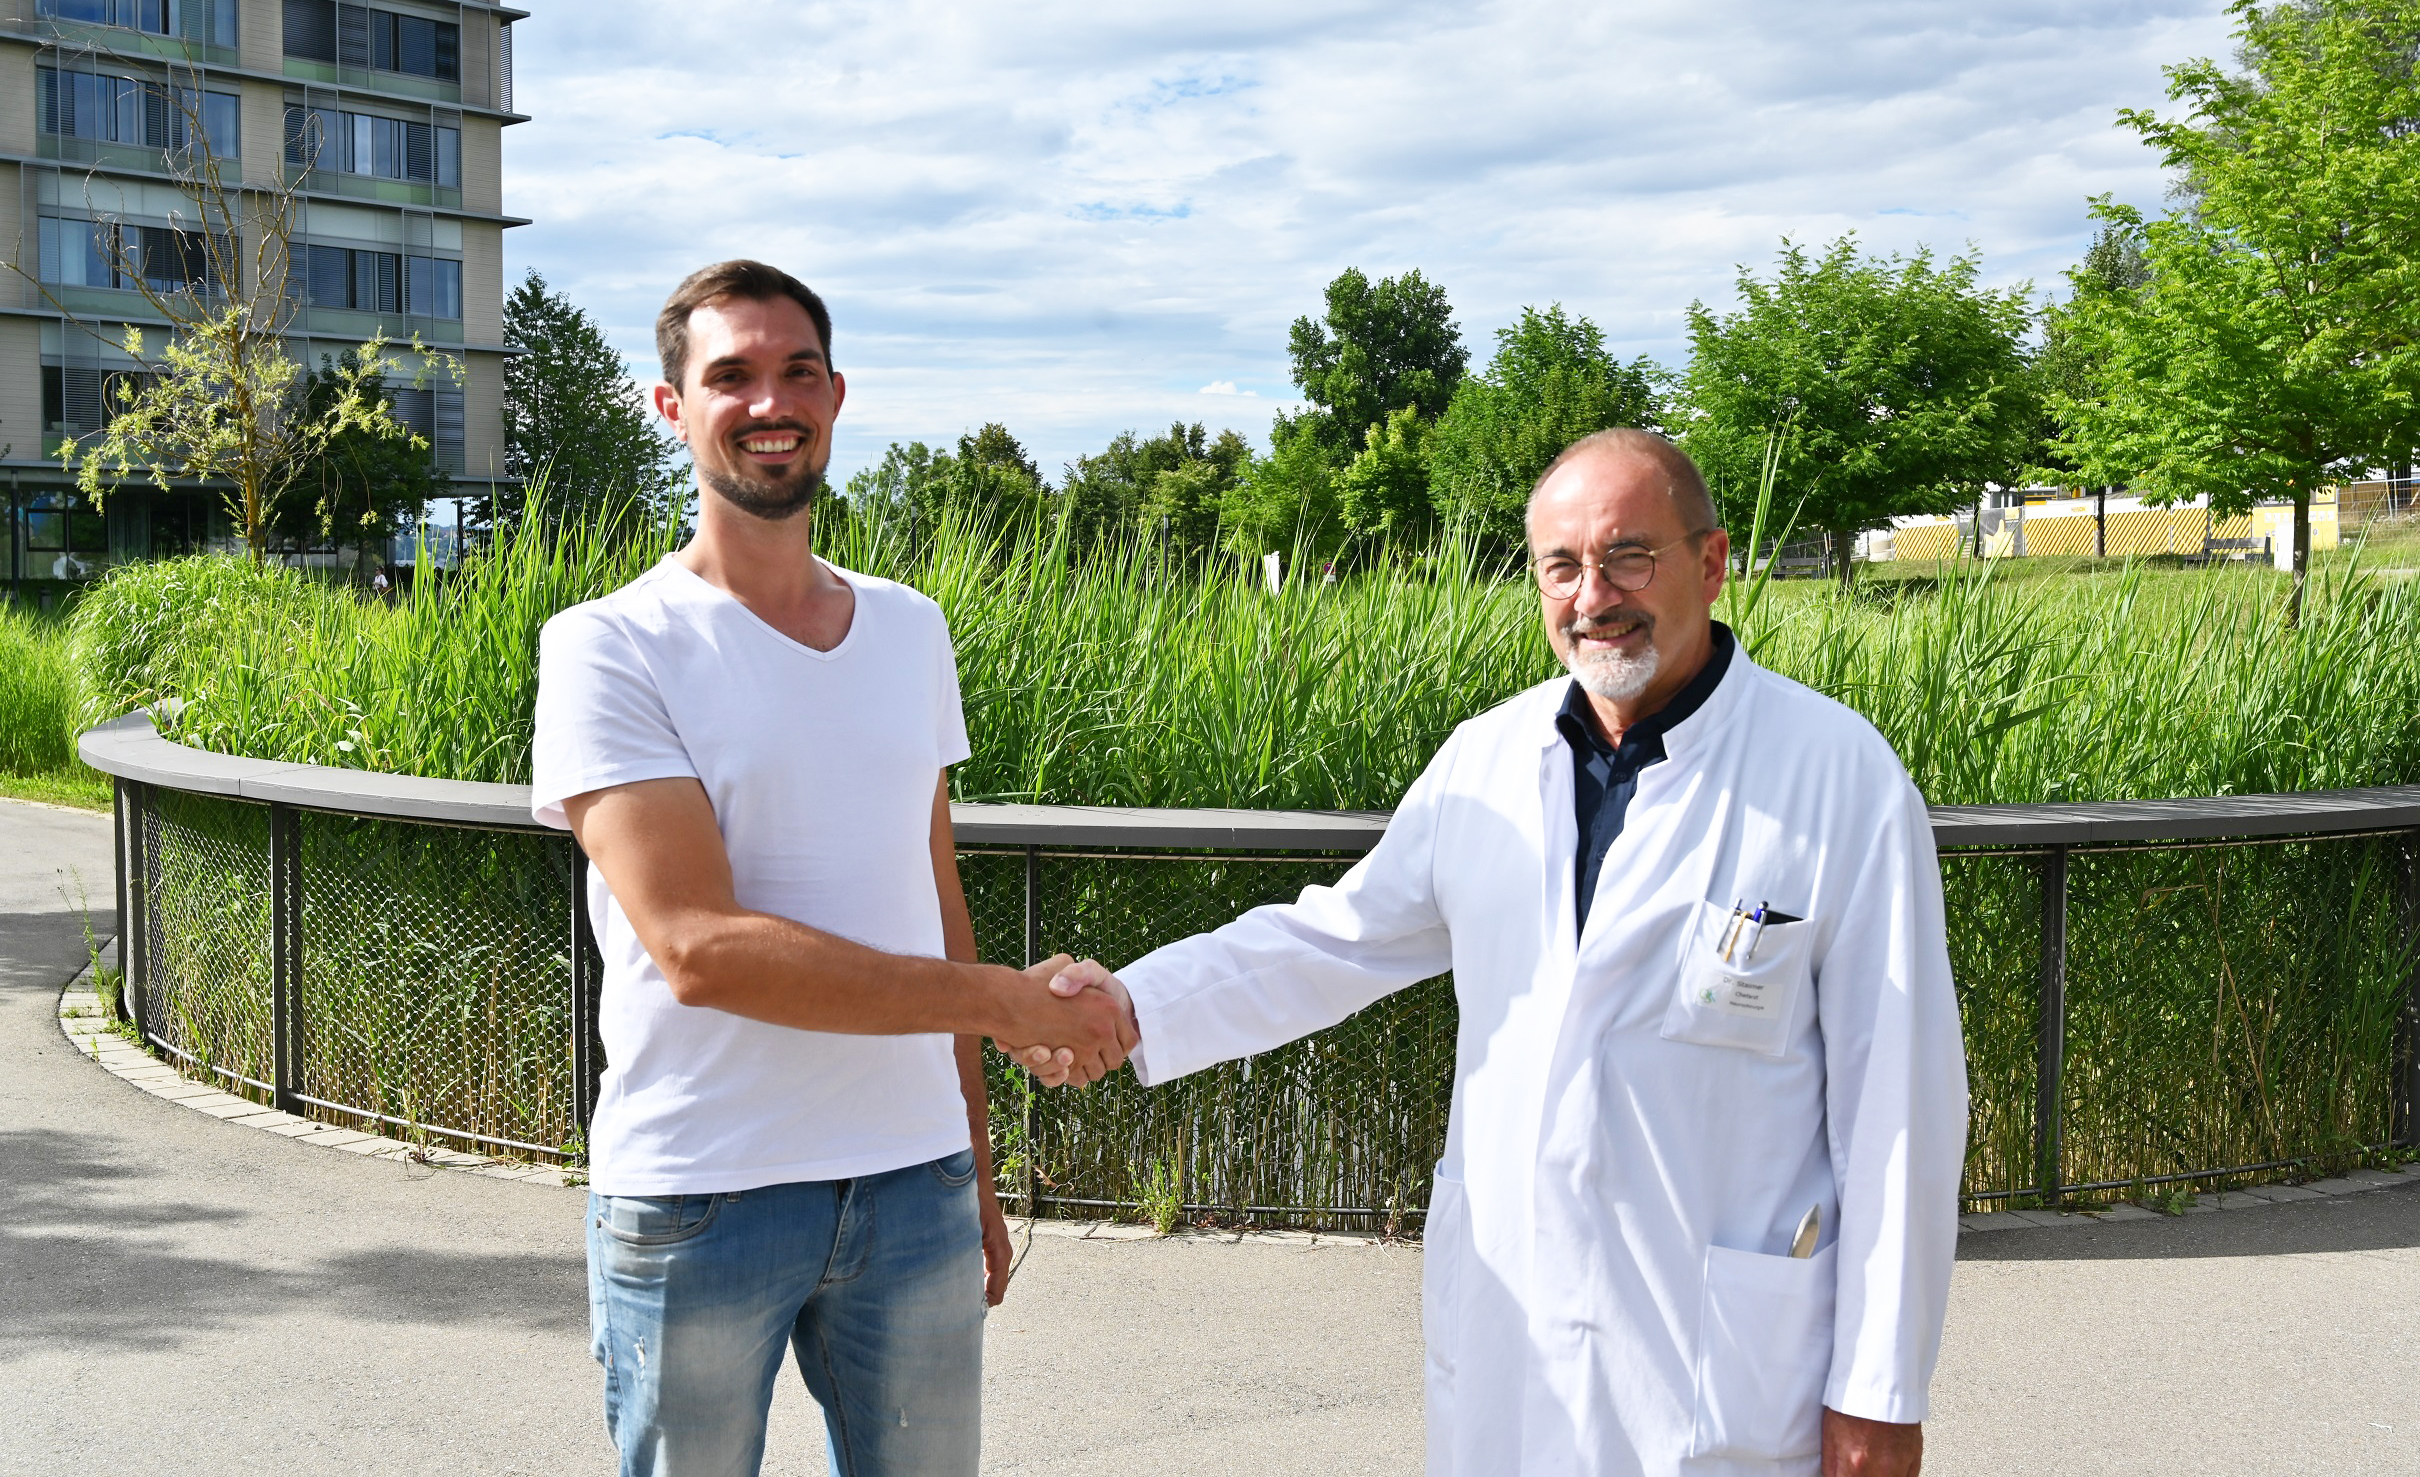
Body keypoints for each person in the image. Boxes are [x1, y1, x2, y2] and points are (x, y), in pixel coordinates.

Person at [1030, 429, 1966, 1476]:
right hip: (1511, 1342)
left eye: (1628, 555)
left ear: (1711, 562)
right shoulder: (1487, 757)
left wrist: (1878, 1391)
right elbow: (1329, 939)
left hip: (1718, 1369)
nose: (1592, 594)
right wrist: (1129, 1002)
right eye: (1560, 565)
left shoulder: (1836, 777)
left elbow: (1900, 1105)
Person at [530, 259, 1130, 1477]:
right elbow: (696, 947)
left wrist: (969, 1157)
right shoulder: (607, 646)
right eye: (731, 375)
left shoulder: (909, 625)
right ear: (672, 406)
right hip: (702, 1192)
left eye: (795, 370)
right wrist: (1008, 1002)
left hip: (913, 1185)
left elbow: (930, 891)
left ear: (837, 393)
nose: (770, 400)